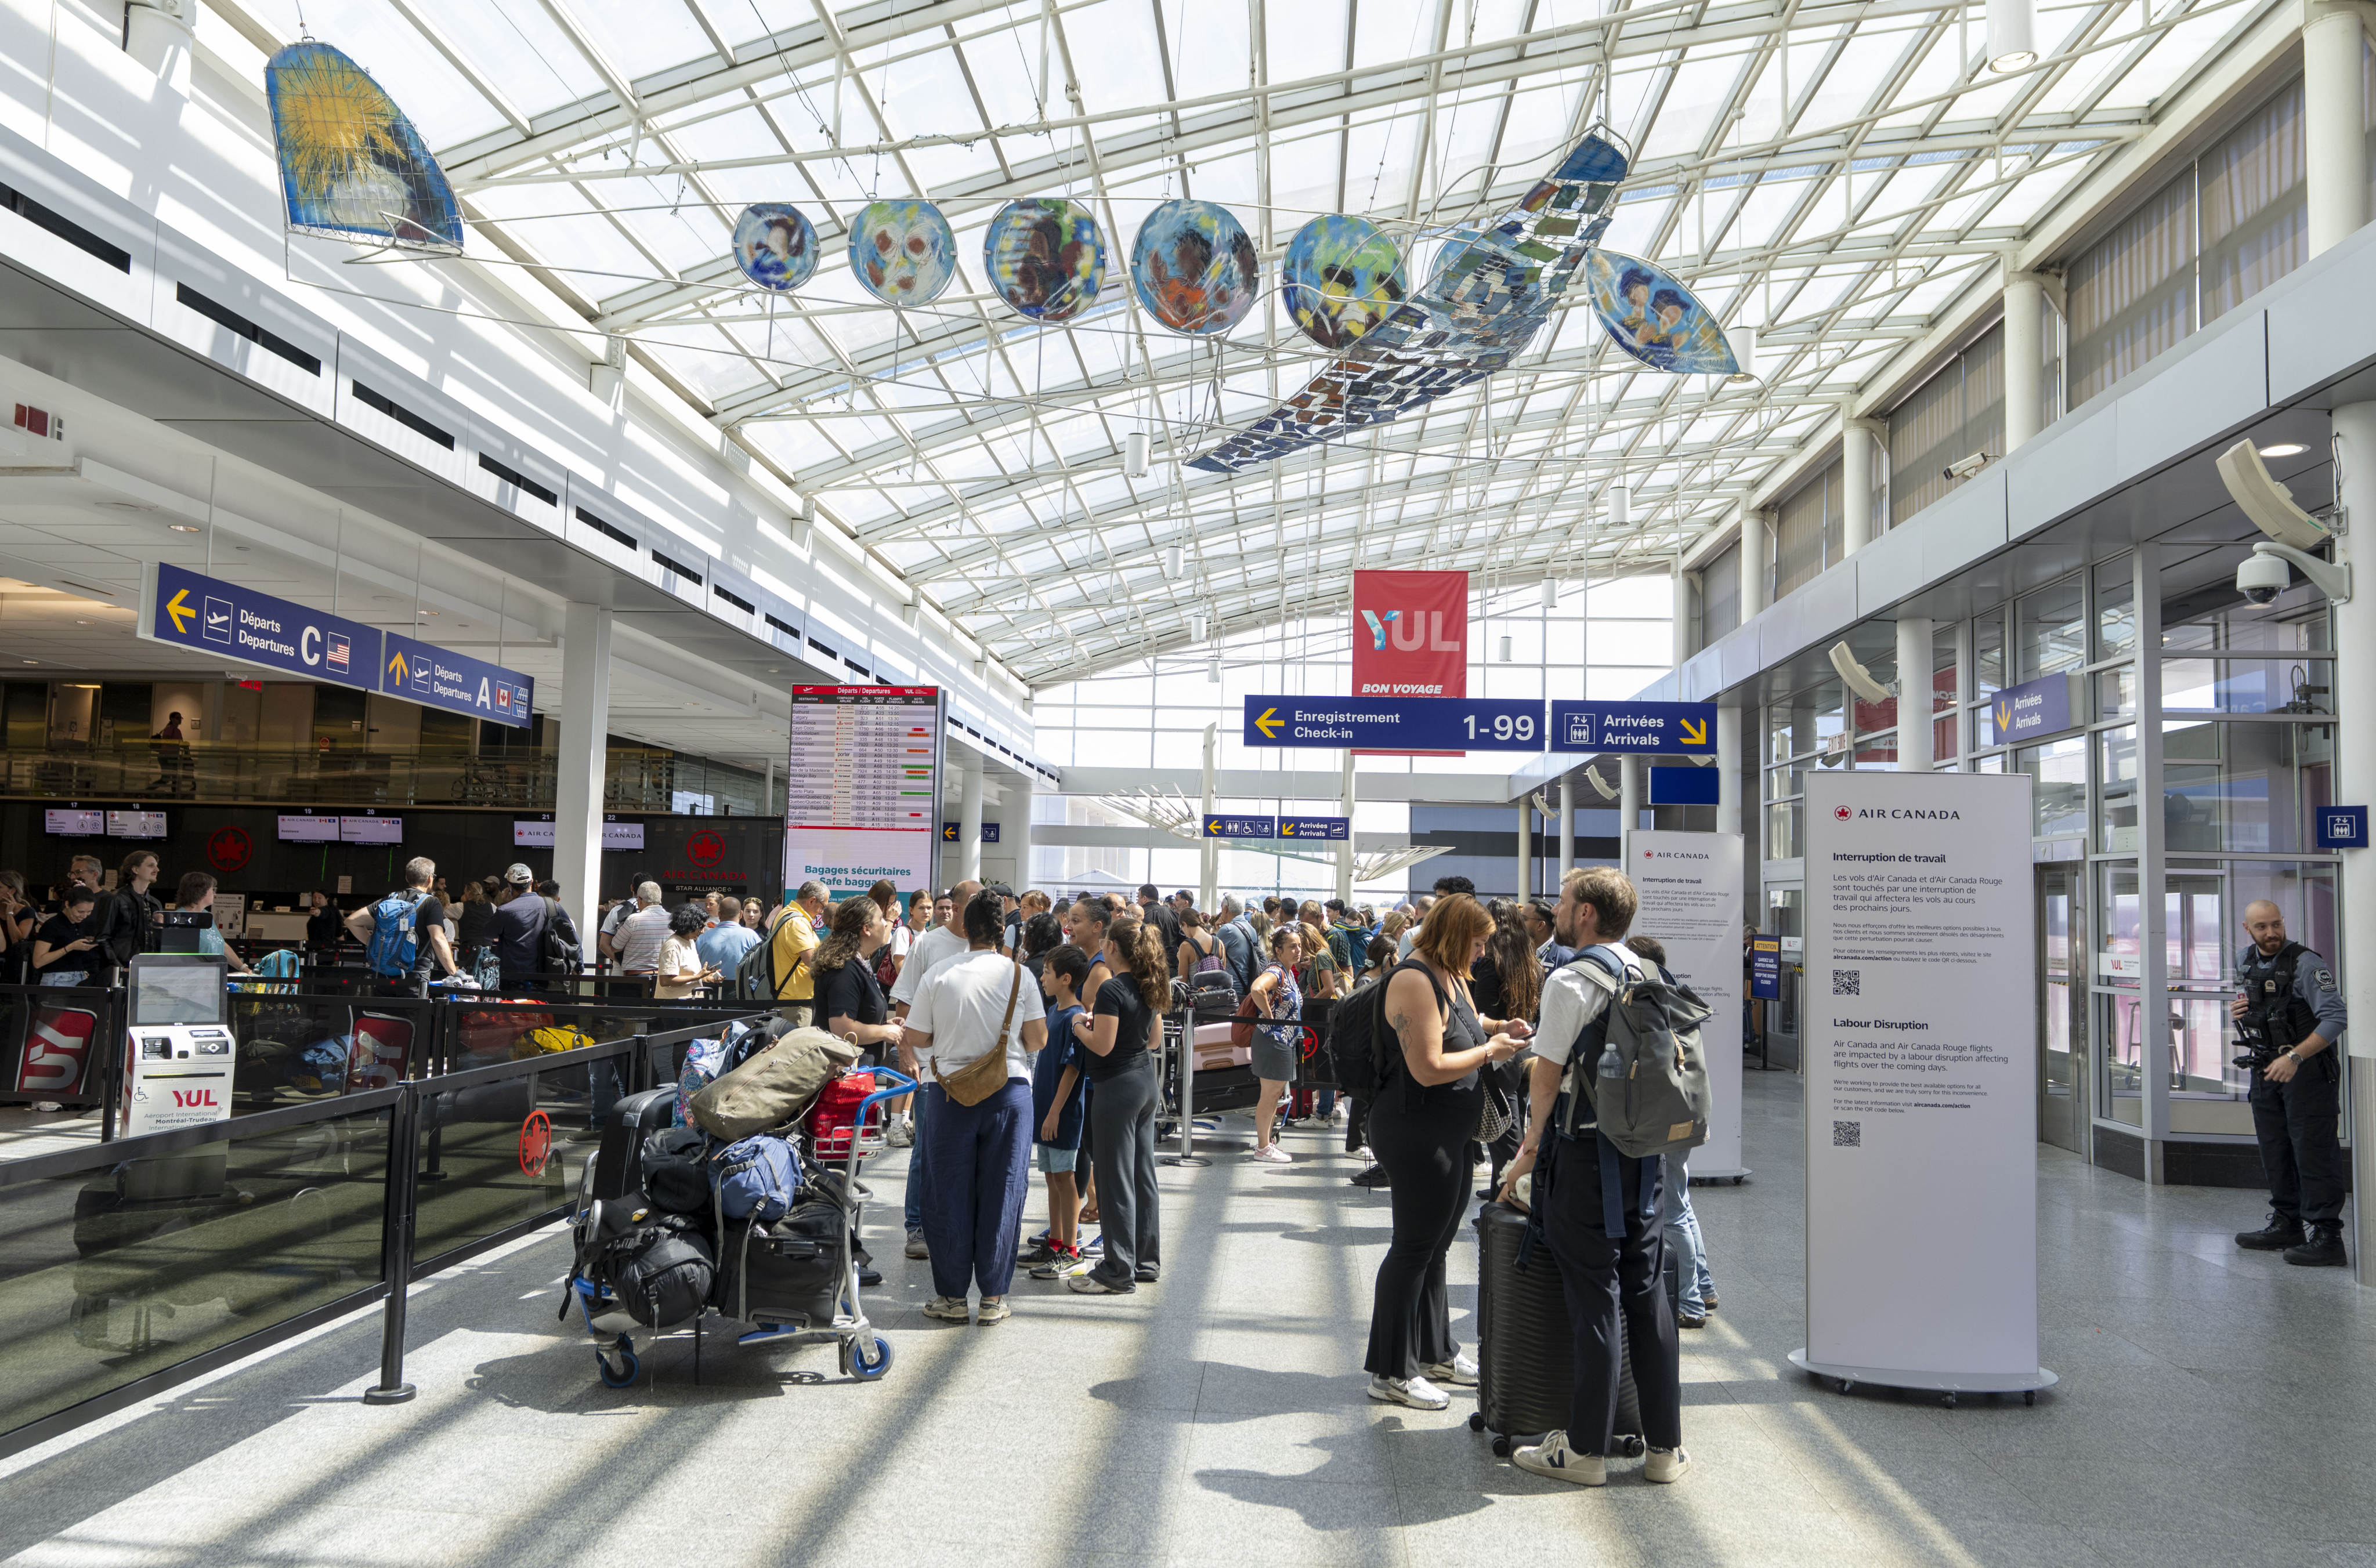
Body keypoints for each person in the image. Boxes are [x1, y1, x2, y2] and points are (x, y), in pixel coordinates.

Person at [1501, 867, 1690, 1487]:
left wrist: (1528, 1148)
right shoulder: (1649, 972)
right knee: (1646, 1295)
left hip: (1584, 1158)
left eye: (1563, 900)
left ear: (1586, 914)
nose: (1555, 908)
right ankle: (1665, 1449)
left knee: (1596, 1300)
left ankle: (1585, 1450)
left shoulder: (1571, 979)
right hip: (1646, 1159)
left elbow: (1547, 1075)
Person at [1362, 895, 1527, 1410]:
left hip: (1447, 1130)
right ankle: (1390, 1370)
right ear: (1456, 935)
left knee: (1435, 1247)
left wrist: (1498, 1028)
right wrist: (1490, 1052)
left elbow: (1463, 1020)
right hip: (1416, 1132)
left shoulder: (1449, 974)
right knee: (1412, 1247)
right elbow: (1427, 1065)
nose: (1481, 953)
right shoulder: (1413, 978)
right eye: (1477, 942)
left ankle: (1434, 1351)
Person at [900, 889, 1048, 1324]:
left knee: (946, 1192)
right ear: (1002, 930)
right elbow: (1037, 1038)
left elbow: (918, 1037)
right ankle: (993, 1298)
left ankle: (950, 1298)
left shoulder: (939, 974)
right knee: (1003, 1191)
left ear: (964, 929)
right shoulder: (1020, 976)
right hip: (1010, 1093)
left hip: (947, 1093)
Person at [2230, 899, 2349, 1266]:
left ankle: (2328, 1236)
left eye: (2276, 925)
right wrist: (2240, 1010)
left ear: (2283, 923)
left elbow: (2336, 1018)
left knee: (2313, 1151)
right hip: (2266, 1068)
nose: (2271, 934)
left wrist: (2294, 1057)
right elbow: (2263, 1007)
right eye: (2262, 927)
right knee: (2275, 1148)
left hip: (2307, 1070)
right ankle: (2287, 1223)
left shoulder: (2307, 963)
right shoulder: (2244, 960)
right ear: (2247, 929)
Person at [1067, 915, 1167, 1294]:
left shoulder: (1110, 990)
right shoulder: (1148, 985)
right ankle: (1145, 1261)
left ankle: (1116, 1269)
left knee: (1112, 1178)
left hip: (1116, 1088)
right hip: (1144, 1083)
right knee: (1143, 1174)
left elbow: (1102, 1045)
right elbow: (1153, 1039)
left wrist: (1079, 1024)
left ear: (1111, 947)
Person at [1625, 933, 1717, 1326]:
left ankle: (1690, 1302)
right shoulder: (1676, 994)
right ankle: (1705, 1287)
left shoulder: (1651, 999)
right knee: (1681, 1202)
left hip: (1664, 1117)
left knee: (1674, 1210)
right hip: (1686, 1112)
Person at [890, 880, 983, 1252]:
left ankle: (956, 1222)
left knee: (968, 1150)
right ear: (958, 907)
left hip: (977, 1073)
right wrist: (908, 1055)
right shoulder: (928, 945)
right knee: (927, 1150)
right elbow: (904, 1005)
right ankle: (917, 1225)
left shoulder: (988, 948)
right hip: (933, 1069)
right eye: (974, 903)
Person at [1025, 943, 1093, 1279]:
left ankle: (1072, 1249)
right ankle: (1054, 1242)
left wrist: (1053, 1113)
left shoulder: (1075, 1017)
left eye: (1047, 973)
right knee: (1052, 1177)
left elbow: (1072, 1070)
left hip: (1062, 1113)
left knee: (1065, 1179)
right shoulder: (1054, 1011)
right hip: (1048, 1108)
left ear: (1066, 979)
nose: (1042, 978)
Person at [345, 856, 460, 996]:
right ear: (430, 879)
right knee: (412, 1017)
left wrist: (373, 943)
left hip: (384, 974)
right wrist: (454, 973)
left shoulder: (390, 899)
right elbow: (438, 939)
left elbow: (351, 921)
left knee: (383, 1016)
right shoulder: (431, 903)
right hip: (415, 977)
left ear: (407, 877)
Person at [815, 895, 903, 1059]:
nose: (886, 923)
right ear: (866, 929)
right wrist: (884, 1031)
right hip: (846, 1076)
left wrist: (884, 1025)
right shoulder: (844, 969)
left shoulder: (856, 963)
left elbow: (858, 1016)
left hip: (859, 1074)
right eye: (881, 918)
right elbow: (843, 1030)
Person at [1246, 924, 1305, 1164]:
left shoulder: (1287, 971)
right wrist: (1270, 1016)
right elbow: (1257, 989)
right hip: (1274, 1039)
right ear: (1278, 950)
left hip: (1282, 1040)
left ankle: (1266, 1144)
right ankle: (1263, 1147)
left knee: (1274, 1094)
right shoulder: (1276, 971)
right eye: (1293, 946)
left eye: (1299, 945)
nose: (1298, 950)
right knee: (1270, 1095)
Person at [768, 881, 829, 1024]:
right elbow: (813, 962)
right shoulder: (797, 922)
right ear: (812, 901)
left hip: (791, 1000)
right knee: (797, 1046)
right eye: (823, 906)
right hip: (795, 1004)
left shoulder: (786, 913)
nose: (822, 911)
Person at [173, 871, 254, 975]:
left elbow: (221, 945)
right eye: (213, 890)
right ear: (201, 891)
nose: (215, 894)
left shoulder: (206, 915)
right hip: (192, 982)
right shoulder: (180, 919)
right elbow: (179, 959)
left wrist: (244, 968)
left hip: (212, 979)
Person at [32, 886, 102, 986]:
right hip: (57, 980)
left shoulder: (80, 924)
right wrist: (70, 947)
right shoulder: (52, 925)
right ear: (67, 904)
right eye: (80, 912)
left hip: (81, 978)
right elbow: (38, 962)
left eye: (89, 912)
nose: (84, 916)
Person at [653, 904, 719, 999]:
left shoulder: (691, 942)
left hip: (691, 1000)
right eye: (701, 927)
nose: (703, 931)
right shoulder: (673, 945)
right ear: (691, 925)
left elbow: (688, 975)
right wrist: (697, 977)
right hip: (676, 1003)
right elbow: (666, 981)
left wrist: (706, 978)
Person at [610, 882, 671, 982]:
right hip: (663, 978)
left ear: (639, 900)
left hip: (635, 978)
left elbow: (615, 947)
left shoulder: (633, 920)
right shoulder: (672, 920)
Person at [696, 894, 761, 977]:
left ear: (719, 915)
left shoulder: (702, 938)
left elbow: (694, 967)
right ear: (741, 914)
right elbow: (761, 964)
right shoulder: (751, 936)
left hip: (708, 987)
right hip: (739, 988)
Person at [455, 878, 501, 979]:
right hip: (487, 948)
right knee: (485, 975)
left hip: (468, 948)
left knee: (467, 976)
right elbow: (500, 920)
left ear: (468, 893)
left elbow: (442, 910)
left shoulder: (461, 907)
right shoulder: (492, 906)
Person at [1214, 894, 1257, 996]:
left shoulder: (1227, 930)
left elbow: (1213, 956)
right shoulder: (1251, 929)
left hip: (1231, 989)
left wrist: (1217, 931)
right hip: (1248, 986)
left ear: (1225, 909)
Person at [1175, 905, 1224, 985]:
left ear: (1185, 924)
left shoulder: (1186, 946)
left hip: (1195, 996)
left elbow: (1182, 982)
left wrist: (1181, 960)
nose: (1184, 933)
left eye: (1182, 929)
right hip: (1218, 996)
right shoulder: (1220, 943)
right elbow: (1223, 975)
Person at [1136, 882, 1182, 961]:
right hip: (1172, 964)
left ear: (1144, 898)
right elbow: (1181, 940)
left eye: (1138, 898)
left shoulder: (1141, 916)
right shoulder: (1174, 915)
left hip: (1150, 964)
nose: (1138, 902)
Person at [1527, 900, 1574, 969]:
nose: (1519, 923)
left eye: (1524, 919)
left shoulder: (1565, 960)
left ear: (1540, 925)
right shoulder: (1518, 954)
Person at [304, 890, 345, 958]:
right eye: (314, 898)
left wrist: (317, 912)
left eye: (320, 898)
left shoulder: (327, 911)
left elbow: (322, 913)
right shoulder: (333, 912)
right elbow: (339, 934)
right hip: (318, 950)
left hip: (323, 952)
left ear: (327, 899)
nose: (316, 901)